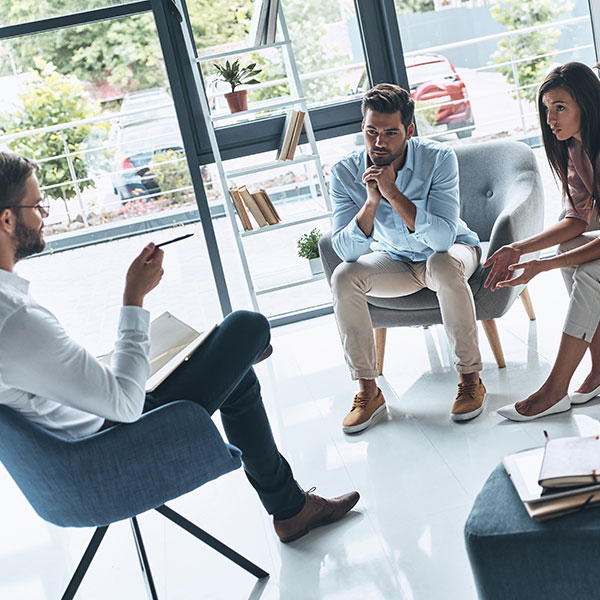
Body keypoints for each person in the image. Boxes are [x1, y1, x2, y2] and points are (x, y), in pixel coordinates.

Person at [0, 151, 359, 543]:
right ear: (6, 219)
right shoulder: (16, 318)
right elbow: (125, 404)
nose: (44, 216)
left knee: (236, 378)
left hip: (80, 436)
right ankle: (289, 505)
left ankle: (291, 510)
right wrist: (133, 295)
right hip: (112, 441)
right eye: (37, 207)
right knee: (247, 326)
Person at [329, 83, 484, 433]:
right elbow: (348, 251)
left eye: (390, 133)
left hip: (453, 252)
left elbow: (443, 239)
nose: (379, 143)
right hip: (397, 260)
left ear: (409, 131)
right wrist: (371, 202)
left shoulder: (438, 158)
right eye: (371, 132)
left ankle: (471, 379)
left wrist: (393, 194)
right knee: (343, 276)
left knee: (442, 264)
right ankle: (368, 392)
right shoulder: (344, 172)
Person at [484, 62, 600, 421]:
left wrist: (543, 265)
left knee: (589, 269)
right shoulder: (575, 150)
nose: (551, 118)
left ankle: (555, 388)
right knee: (570, 248)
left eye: (561, 107)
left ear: (587, 104)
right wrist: (519, 248)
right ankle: (599, 368)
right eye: (547, 108)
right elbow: (576, 219)